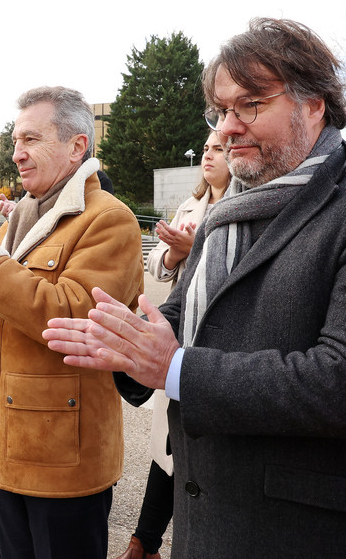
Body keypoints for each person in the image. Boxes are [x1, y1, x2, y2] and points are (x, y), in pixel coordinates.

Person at [41, 18, 346, 558]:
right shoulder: (225, 215)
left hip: (308, 539)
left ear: (315, 104)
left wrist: (175, 368)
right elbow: (176, 325)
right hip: (203, 530)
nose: (228, 126)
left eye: (250, 104)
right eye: (222, 110)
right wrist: (125, 345)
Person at [0, 86, 145, 559]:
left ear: (77, 146)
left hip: (65, 456)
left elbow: (68, 316)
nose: (17, 154)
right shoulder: (21, 217)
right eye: (14, 140)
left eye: (30, 139)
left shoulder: (109, 220)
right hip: (9, 448)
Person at [117, 131, 231, 559]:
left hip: (212, 338)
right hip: (179, 329)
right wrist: (172, 256)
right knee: (167, 441)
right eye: (205, 148)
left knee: (185, 443)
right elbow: (157, 267)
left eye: (218, 149)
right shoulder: (190, 205)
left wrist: (195, 248)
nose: (209, 155)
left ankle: (147, 542)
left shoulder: (243, 203)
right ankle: (144, 542)